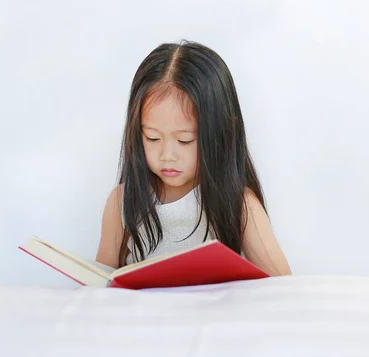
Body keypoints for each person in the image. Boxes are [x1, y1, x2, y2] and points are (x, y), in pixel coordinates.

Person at [95, 40, 291, 276]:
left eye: (185, 140)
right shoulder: (123, 201)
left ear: (222, 133)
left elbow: (282, 283)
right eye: (152, 138)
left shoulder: (238, 204)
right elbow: (100, 284)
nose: (167, 156)